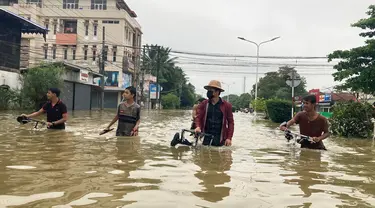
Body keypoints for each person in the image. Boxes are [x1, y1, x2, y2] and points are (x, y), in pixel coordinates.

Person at [194, 80, 234, 146]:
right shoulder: (204, 104)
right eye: (208, 90)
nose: (208, 92)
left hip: (220, 138)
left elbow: (230, 122)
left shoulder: (227, 106)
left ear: (217, 92)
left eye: (211, 90)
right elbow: (198, 117)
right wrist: (198, 127)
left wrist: (229, 138)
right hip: (206, 136)